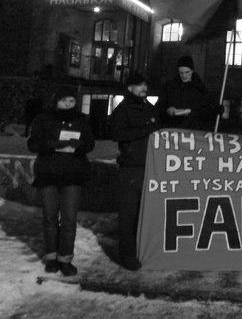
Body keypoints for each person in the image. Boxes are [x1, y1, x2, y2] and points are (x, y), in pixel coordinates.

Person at [27, 86, 95, 276]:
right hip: (48, 173)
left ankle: (65, 259)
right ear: (56, 100)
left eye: (71, 100)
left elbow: (90, 144)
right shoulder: (43, 118)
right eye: (64, 100)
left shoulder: (82, 119)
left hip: (73, 174)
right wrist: (53, 145)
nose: (68, 104)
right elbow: (32, 144)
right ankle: (51, 257)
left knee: (69, 220)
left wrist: (78, 145)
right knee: (49, 217)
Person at [110, 73, 161, 271]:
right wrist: (146, 129)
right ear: (129, 88)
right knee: (128, 214)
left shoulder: (149, 107)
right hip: (131, 168)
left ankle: (142, 251)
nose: (143, 88)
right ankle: (128, 255)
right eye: (139, 85)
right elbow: (116, 133)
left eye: (145, 84)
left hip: (150, 166)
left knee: (144, 213)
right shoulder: (122, 110)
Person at [156, 55, 221, 130]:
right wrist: (167, 109)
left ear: (192, 71)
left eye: (187, 72)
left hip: (194, 129)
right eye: (181, 73)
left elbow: (206, 111)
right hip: (173, 128)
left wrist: (216, 110)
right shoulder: (169, 88)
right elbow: (159, 107)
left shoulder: (200, 89)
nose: (184, 76)